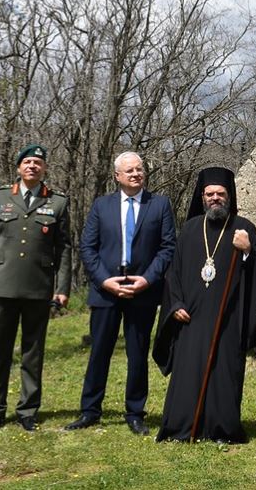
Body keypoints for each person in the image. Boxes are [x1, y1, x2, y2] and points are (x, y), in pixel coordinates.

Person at [152, 167, 256, 443]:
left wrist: (248, 251)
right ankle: (182, 427)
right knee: (188, 372)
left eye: (220, 193)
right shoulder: (191, 229)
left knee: (224, 374)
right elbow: (173, 273)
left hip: (227, 318)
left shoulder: (244, 228)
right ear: (202, 197)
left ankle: (221, 430)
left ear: (229, 196)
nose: (215, 198)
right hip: (190, 318)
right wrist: (175, 303)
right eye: (209, 194)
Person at [66, 152, 176, 435]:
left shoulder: (159, 204)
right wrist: (105, 281)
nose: (136, 174)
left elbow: (167, 248)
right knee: (99, 352)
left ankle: (135, 412)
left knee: (137, 354)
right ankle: (90, 411)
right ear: (117, 176)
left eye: (140, 169)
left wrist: (147, 280)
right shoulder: (102, 205)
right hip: (107, 291)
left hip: (143, 291)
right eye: (129, 170)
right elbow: (87, 248)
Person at [0, 144, 71, 435]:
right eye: (27, 162)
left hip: (38, 288)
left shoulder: (58, 202)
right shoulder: (0, 197)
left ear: (44, 169)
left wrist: (62, 287)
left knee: (33, 352)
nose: (32, 166)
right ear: (19, 168)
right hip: (3, 287)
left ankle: (28, 410)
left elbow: (64, 249)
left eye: (38, 162)